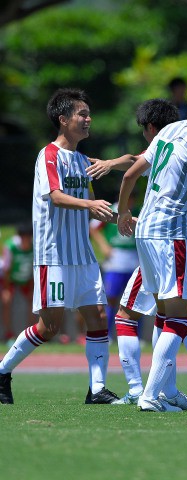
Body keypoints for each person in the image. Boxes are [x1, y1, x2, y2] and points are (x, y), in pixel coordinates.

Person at [0, 88, 120, 405]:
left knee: (96, 315)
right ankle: (2, 370)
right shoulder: (48, 155)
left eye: (88, 113)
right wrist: (90, 203)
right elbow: (56, 196)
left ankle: (97, 389)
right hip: (54, 255)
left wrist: (120, 219)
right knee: (50, 326)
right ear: (63, 119)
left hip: (83, 255)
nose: (88, 119)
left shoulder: (83, 160)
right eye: (82, 114)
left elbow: (92, 206)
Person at [118, 78, 187, 412]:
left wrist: (124, 210)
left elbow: (129, 176)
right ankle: (151, 396)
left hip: (147, 231)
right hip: (173, 235)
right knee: (180, 319)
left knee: (165, 314)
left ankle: (167, 392)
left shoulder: (170, 130)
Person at [90, 192, 140, 340]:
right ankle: (108, 333)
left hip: (134, 258)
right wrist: (104, 245)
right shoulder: (111, 209)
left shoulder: (138, 211)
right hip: (115, 259)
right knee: (111, 298)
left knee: (135, 300)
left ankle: (135, 335)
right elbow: (92, 227)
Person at [1, 222, 35, 343]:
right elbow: (6, 270)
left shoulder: (34, 247)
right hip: (10, 279)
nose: (25, 240)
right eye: (23, 237)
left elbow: (34, 269)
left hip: (26, 279)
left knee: (34, 302)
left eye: (28, 237)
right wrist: (5, 289)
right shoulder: (11, 247)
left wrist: (32, 289)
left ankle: (29, 335)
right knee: (6, 301)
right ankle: (8, 333)